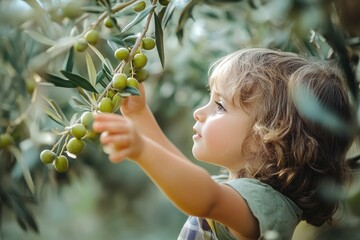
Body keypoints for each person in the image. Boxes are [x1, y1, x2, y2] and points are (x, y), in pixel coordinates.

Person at [92, 48, 354, 240]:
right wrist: (139, 115)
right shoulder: (241, 193)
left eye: (219, 106)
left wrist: (142, 149)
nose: (199, 112)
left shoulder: (270, 207)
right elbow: (184, 174)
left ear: (269, 138)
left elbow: (205, 198)